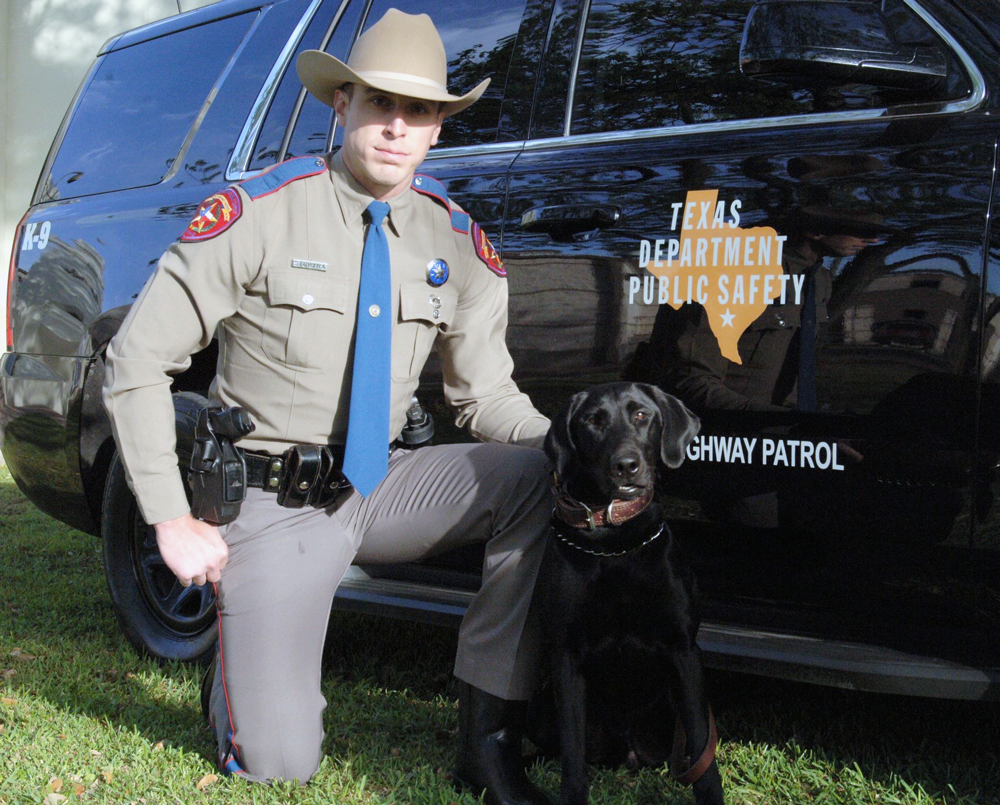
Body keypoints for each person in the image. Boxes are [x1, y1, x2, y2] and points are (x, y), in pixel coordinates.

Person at [102, 10, 552, 803]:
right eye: (379, 102)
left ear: (439, 128)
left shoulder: (456, 242)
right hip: (273, 503)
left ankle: (488, 733)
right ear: (340, 103)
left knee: (540, 478)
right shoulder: (261, 213)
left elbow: (484, 396)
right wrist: (172, 517)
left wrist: (568, 445)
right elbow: (137, 361)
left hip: (379, 486)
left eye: (419, 111)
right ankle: (243, 667)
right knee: (281, 760)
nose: (396, 126)